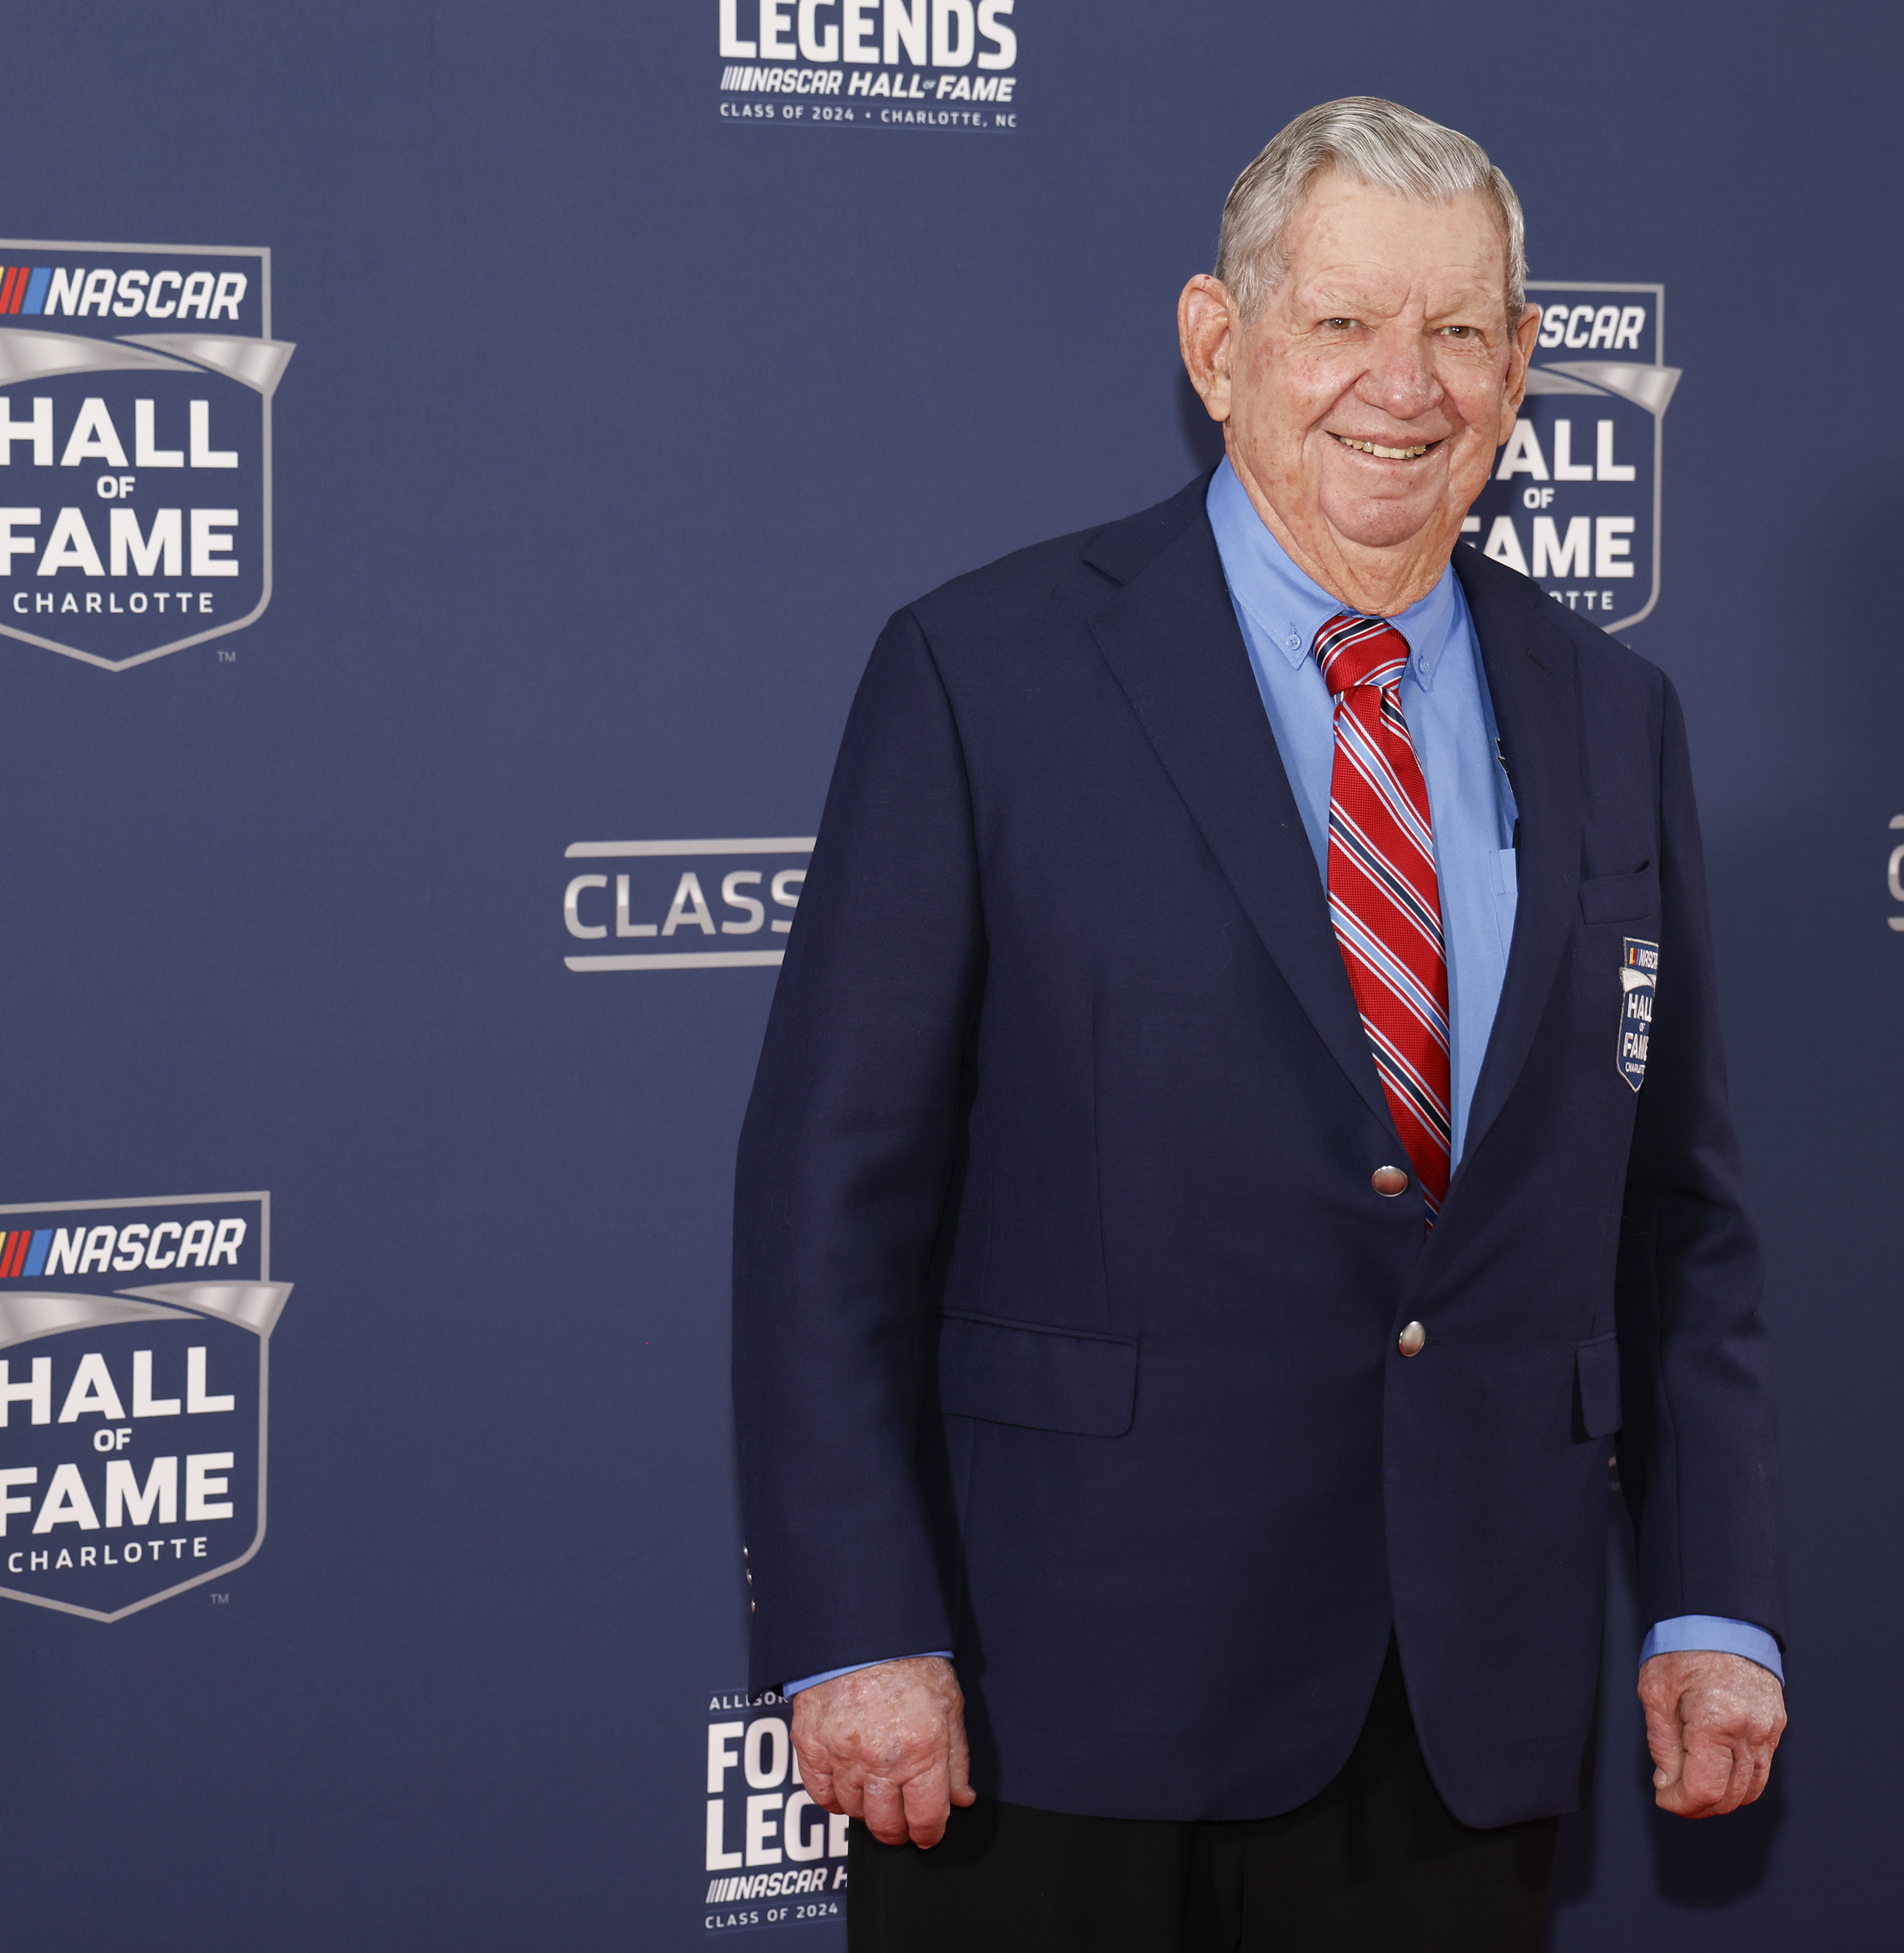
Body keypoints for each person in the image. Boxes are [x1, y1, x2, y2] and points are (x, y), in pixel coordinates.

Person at [733, 95, 1784, 1952]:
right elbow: (832, 1199)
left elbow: (1676, 1220)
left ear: (1523, 368)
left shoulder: (1614, 714)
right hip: (1054, 1707)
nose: (1406, 382)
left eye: (1461, 330)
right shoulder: (983, 674)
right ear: (1221, 346)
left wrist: (1706, 1603)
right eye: (1342, 322)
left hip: (1457, 1714)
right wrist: (858, 1622)